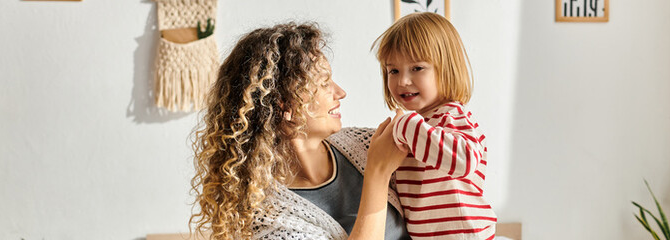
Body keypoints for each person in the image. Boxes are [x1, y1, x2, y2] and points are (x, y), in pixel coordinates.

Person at [190, 22, 410, 240]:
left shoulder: (365, 144)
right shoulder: (268, 220)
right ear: (284, 104)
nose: (340, 92)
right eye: (324, 83)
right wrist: (378, 175)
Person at [372, 12, 497, 239]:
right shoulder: (419, 127)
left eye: (417, 68)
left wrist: (407, 125)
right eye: (393, 71)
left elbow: (465, 160)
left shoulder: (453, 116)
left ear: (446, 68)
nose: (402, 81)